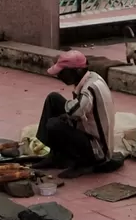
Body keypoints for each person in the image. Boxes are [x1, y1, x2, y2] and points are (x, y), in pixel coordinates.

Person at [36, 50, 116, 179]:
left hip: (98, 150)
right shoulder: (91, 76)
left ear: (77, 71)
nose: (59, 76)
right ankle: (56, 156)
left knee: (54, 124)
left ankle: (84, 163)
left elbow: (75, 111)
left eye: (63, 73)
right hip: (88, 132)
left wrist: (65, 116)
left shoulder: (89, 89)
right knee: (53, 99)